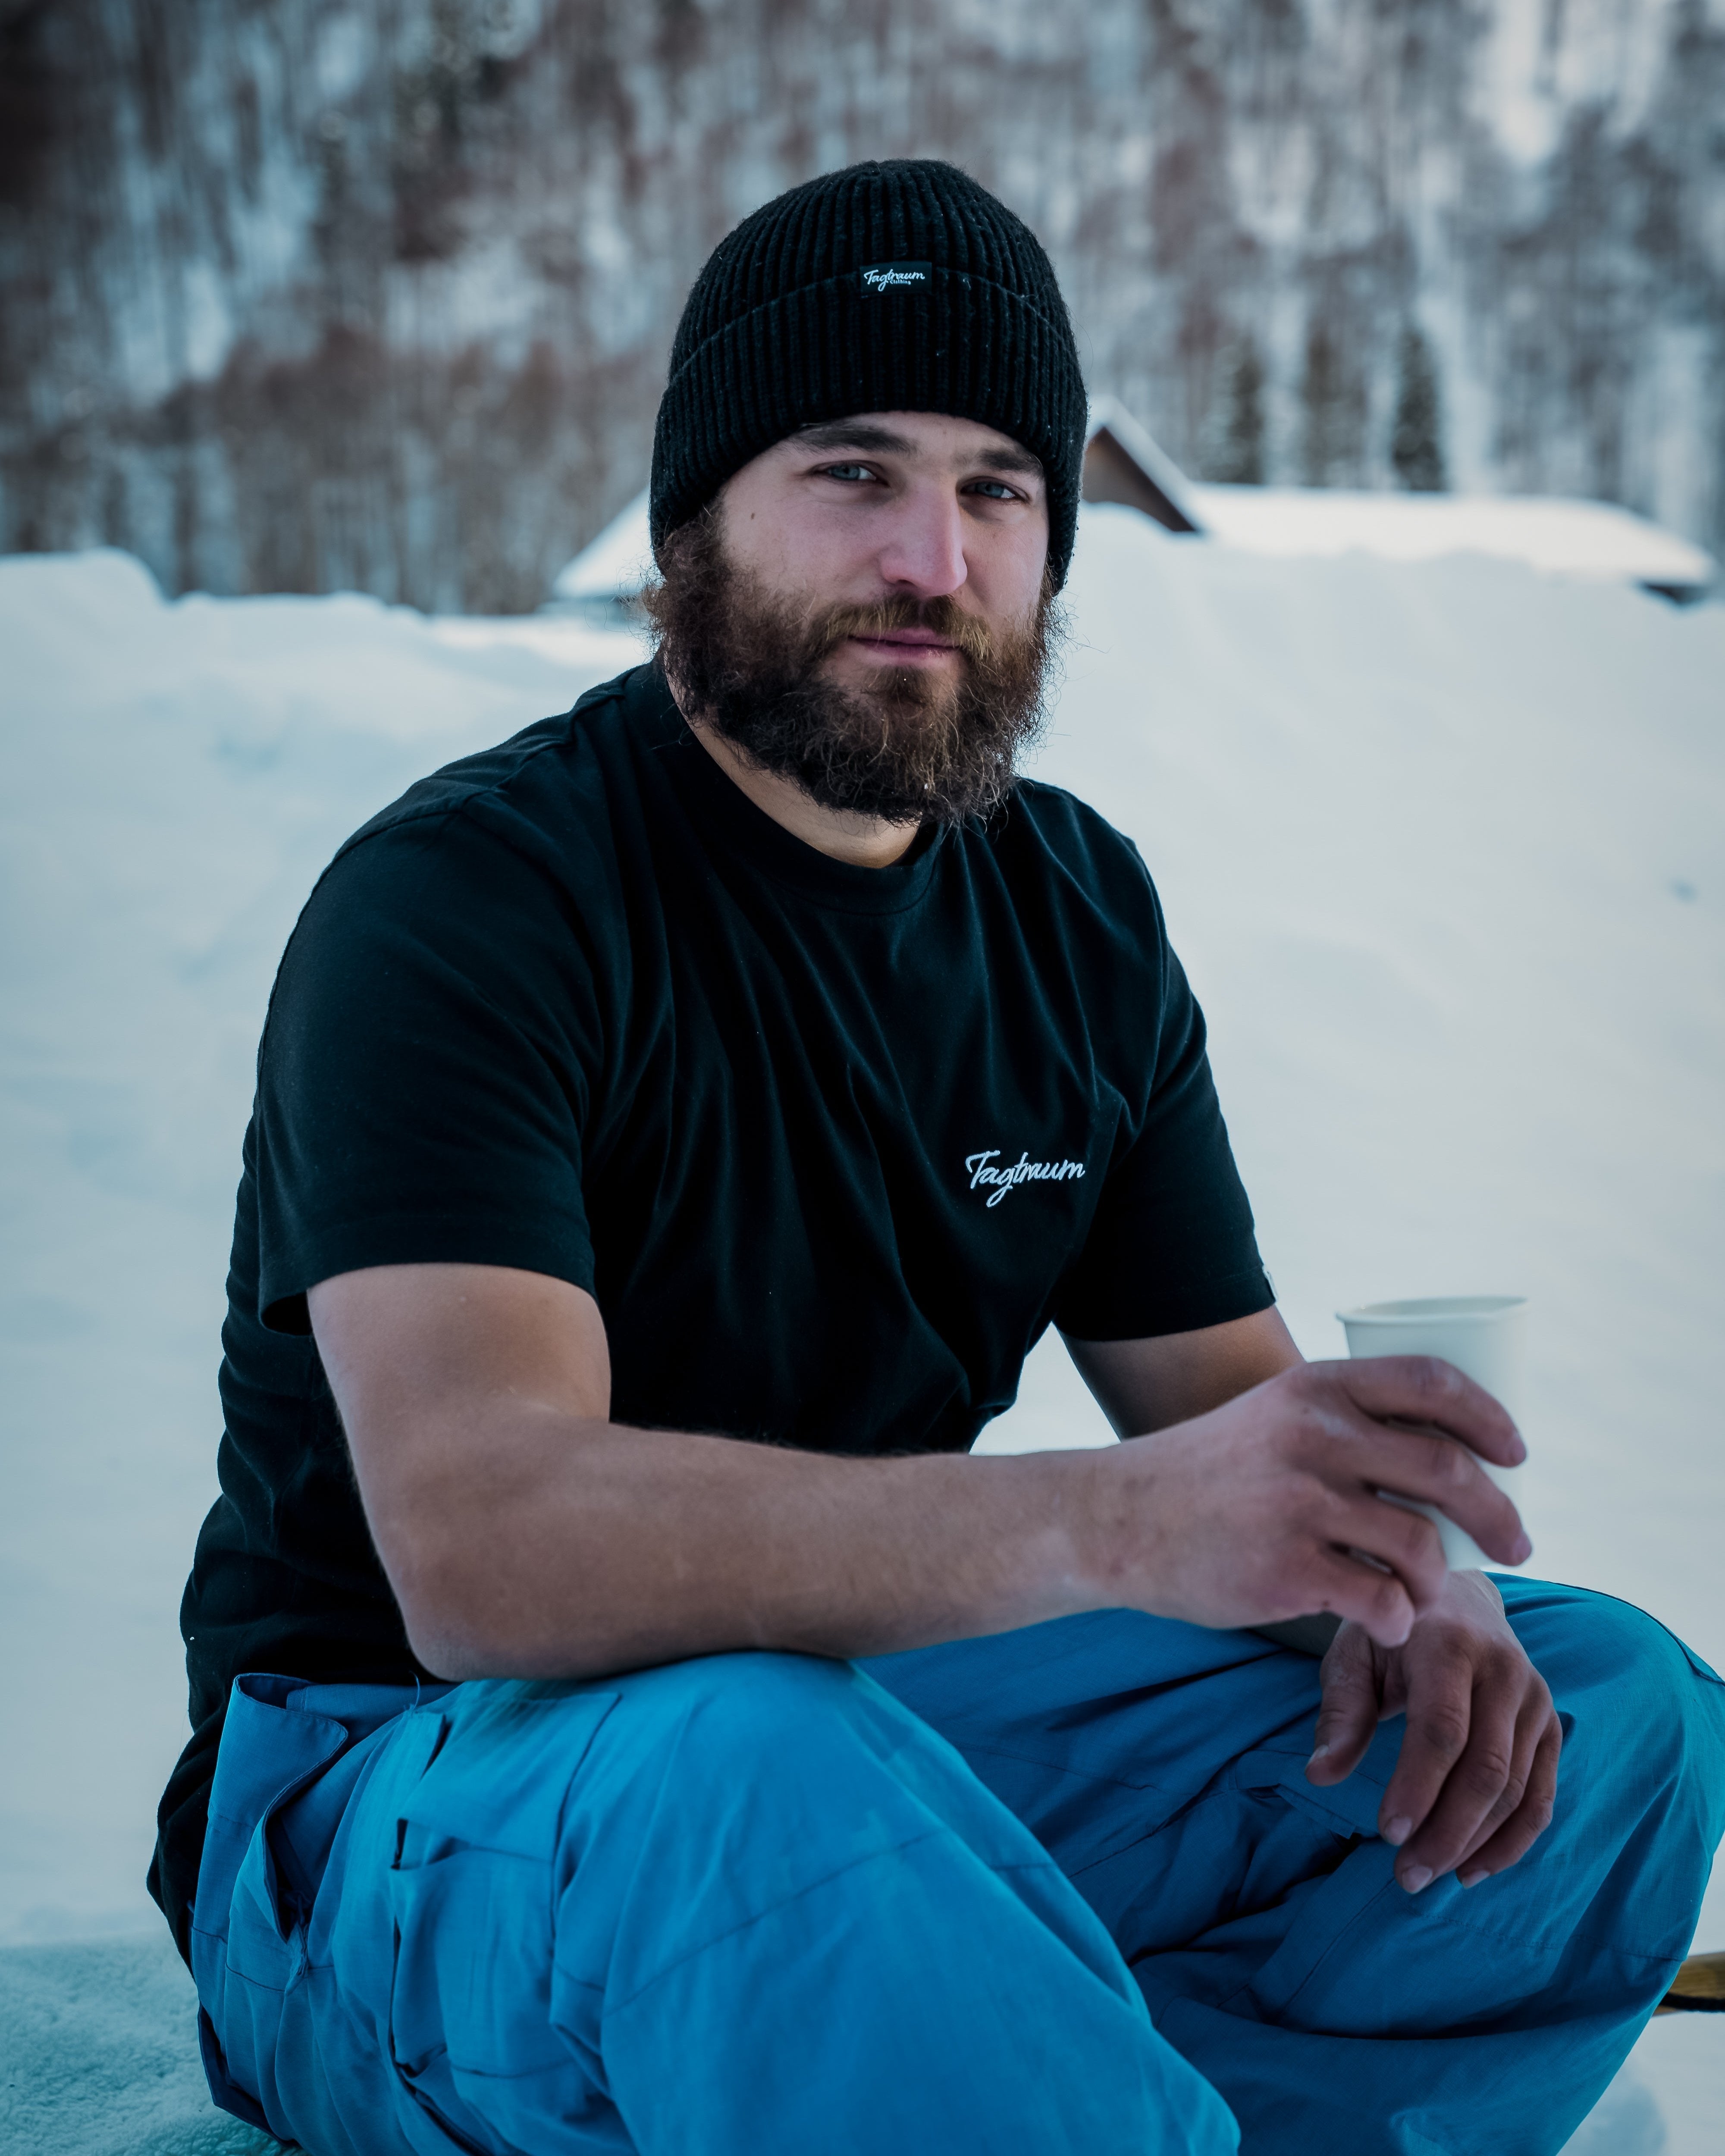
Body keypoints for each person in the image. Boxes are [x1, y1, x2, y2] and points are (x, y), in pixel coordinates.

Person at [152, 160, 1724, 2156]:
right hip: (401, 1804)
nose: (935, 555)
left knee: (1599, 1717)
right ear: (690, 523)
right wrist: (1113, 1524)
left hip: (857, 1733)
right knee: (751, 1770)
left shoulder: (1070, 914)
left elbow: (1230, 1433)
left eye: (997, 486)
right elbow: (484, 1548)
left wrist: (1387, 1574)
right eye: (851, 470)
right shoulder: (466, 903)